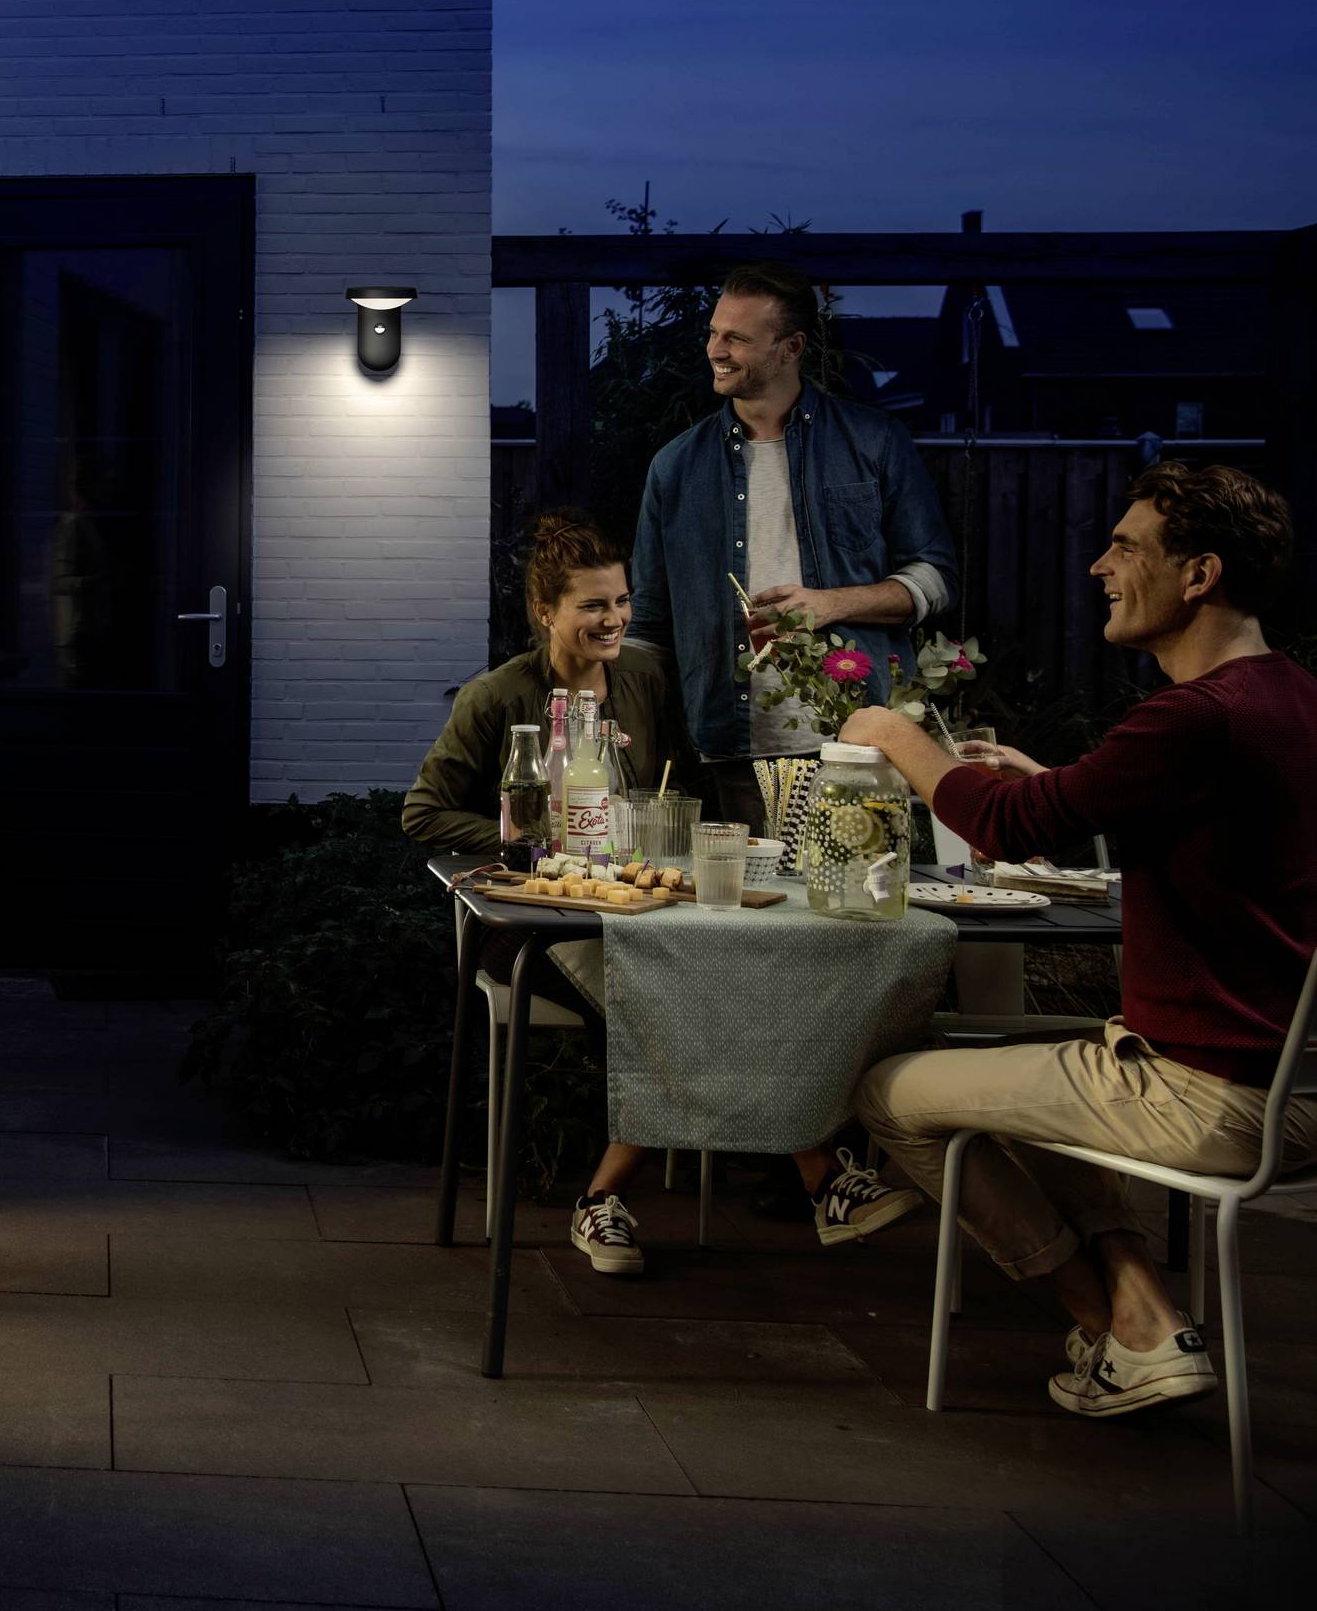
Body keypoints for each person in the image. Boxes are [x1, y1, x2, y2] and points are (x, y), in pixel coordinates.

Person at [840, 460, 1317, 1416]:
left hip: (1205, 1096)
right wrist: (1045, 778)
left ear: (1201, 575)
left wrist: (895, 734)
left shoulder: (1193, 716)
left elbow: (1011, 829)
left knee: (888, 1091)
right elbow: (1194, 820)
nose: (1100, 565)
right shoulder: (1292, 699)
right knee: (1042, 1087)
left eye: (1126, 545)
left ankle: (1110, 1329)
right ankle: (1145, 1312)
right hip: (1294, 1082)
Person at [406, 511, 922, 1274]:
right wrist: (532, 841)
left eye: (620, 601)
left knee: (724, 981)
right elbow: (423, 814)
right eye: (592, 605)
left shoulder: (645, 676)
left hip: (645, 906)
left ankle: (607, 1199)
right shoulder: (497, 698)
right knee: (691, 1000)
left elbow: (675, 787)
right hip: (538, 918)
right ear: (545, 611)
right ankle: (818, 1175)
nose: (613, 619)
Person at [624, 263, 958, 826]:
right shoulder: (676, 466)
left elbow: (936, 578)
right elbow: (650, 622)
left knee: (856, 905)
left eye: (737, 337)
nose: (716, 349)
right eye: (713, 332)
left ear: (791, 347)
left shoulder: (873, 442)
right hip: (730, 746)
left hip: (858, 741)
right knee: (751, 910)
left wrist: (831, 603)